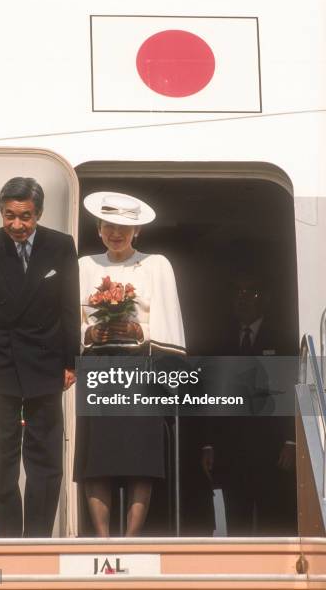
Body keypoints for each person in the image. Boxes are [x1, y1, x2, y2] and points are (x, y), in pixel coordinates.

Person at [0, 177, 80, 538]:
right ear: (2, 213)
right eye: (10, 216)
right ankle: (7, 538)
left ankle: (38, 540)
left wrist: (70, 361)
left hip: (47, 363)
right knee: (3, 455)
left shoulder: (60, 246)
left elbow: (68, 306)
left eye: (25, 217)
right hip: (0, 361)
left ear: (38, 214)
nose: (17, 225)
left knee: (45, 458)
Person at [73, 191, 186, 537]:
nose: (116, 233)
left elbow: (169, 323)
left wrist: (139, 329)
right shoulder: (83, 266)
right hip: (97, 369)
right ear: (99, 228)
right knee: (97, 463)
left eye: (124, 226)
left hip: (141, 371)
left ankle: (131, 541)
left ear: (137, 231)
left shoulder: (157, 264)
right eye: (109, 225)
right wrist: (91, 333)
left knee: (141, 461)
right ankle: (103, 542)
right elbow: (69, 322)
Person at [201, 272, 297, 536]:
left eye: (251, 293)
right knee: (236, 517)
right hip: (231, 445)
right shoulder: (220, 340)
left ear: (265, 299)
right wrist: (208, 443)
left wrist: (291, 440)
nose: (243, 300)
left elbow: (292, 388)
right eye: (238, 293)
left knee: (274, 516)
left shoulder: (283, 338)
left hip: (272, 445)